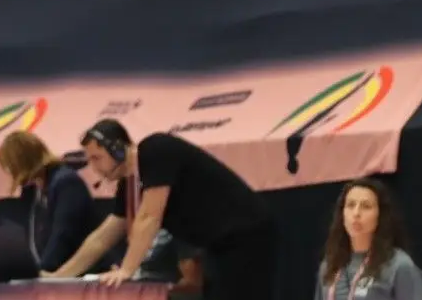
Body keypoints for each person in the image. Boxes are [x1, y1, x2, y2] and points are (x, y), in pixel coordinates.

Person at [48, 120, 277, 300]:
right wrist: (60, 276)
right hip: (220, 245)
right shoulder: (130, 184)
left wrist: (126, 270)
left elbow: (150, 217)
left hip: (247, 235)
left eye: (96, 158)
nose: (93, 168)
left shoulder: (155, 150)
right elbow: (102, 236)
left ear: (117, 149)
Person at [0, 130, 96, 273]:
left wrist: (42, 271)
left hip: (76, 272)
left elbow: (63, 235)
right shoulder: (34, 190)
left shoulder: (66, 182)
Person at [314, 178, 422, 300]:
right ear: (342, 214)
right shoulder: (329, 266)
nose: (356, 213)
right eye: (350, 205)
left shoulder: (399, 265)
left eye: (366, 206)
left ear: (380, 215)